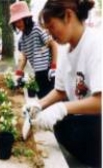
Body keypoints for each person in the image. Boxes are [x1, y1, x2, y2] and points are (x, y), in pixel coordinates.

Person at [23, 0, 101, 167]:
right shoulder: (66, 51)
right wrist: (38, 104)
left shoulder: (96, 45)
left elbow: (100, 101)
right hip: (81, 127)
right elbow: (60, 91)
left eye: (52, 26)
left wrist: (62, 108)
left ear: (68, 15)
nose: (50, 35)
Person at [9, 1, 58, 98]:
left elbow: (53, 45)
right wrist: (18, 73)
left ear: (27, 19)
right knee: (41, 98)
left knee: (49, 100)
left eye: (20, 20)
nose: (18, 24)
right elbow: (24, 57)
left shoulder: (37, 28)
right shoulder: (23, 38)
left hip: (48, 72)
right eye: (15, 22)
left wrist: (53, 67)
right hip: (38, 72)